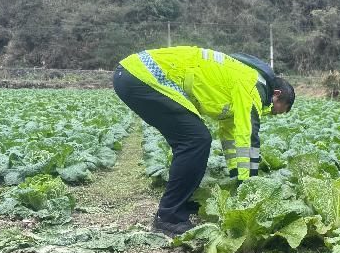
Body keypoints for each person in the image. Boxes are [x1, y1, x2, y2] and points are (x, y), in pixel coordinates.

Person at [112, 46, 295, 236]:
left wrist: (236, 175)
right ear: (276, 94)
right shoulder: (251, 87)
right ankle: (169, 217)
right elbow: (247, 138)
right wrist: (248, 185)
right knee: (196, 140)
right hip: (143, 75)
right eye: (276, 109)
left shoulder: (245, 80)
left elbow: (230, 136)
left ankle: (179, 206)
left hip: (133, 75)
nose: (272, 113)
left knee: (193, 139)